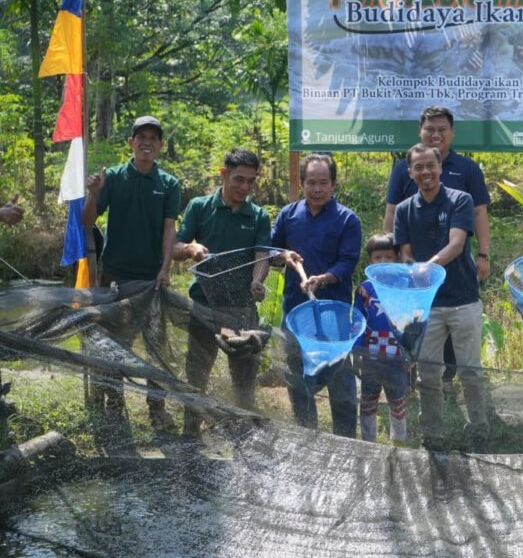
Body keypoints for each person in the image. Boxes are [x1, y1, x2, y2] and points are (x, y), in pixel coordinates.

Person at [383, 105, 491, 393]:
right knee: (425, 363)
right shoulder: (402, 171)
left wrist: (483, 254)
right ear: (420, 132)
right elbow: (393, 215)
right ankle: (431, 424)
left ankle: (471, 419)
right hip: (420, 290)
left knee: (465, 363)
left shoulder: (466, 172)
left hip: (458, 284)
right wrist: (400, 267)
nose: (436, 135)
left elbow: (478, 216)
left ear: (452, 133)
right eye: (430, 129)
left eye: (442, 129)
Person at [81, 115, 180, 431]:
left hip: (152, 280)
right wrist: (94, 193)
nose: (146, 142)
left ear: (160, 145)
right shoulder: (114, 178)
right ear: (131, 143)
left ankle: (156, 408)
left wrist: (166, 267)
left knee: (155, 348)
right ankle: (114, 407)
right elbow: (86, 220)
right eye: (141, 137)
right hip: (114, 277)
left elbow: (169, 229)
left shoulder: (168, 184)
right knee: (114, 345)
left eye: (153, 137)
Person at [393, 143, 489, 451]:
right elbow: (404, 252)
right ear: (410, 172)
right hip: (427, 305)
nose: (425, 173)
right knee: (428, 374)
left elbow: (457, 244)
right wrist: (413, 268)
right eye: (418, 168)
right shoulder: (405, 209)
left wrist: (425, 269)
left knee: (471, 372)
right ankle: (433, 433)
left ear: (440, 168)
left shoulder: (460, 200)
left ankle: (479, 429)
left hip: (463, 300)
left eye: (430, 166)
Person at [172, 148, 271, 438]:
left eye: (251, 181)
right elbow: (176, 247)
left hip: (242, 311)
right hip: (203, 308)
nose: (244, 187)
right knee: (196, 378)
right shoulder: (200, 207)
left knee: (243, 381)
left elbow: (262, 254)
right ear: (223, 174)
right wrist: (191, 249)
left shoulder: (258, 216)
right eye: (239, 179)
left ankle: (245, 438)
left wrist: (257, 280)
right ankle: (190, 434)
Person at [271, 154, 361, 437]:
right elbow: (270, 253)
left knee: (339, 374)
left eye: (324, 183)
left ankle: (345, 438)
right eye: (311, 183)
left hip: (334, 312)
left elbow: (349, 261)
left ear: (334, 184)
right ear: (302, 183)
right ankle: (306, 433)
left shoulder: (347, 219)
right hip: (296, 310)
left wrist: (323, 278)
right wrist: (283, 255)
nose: (317, 189)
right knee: (297, 372)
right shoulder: (289, 215)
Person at [352, 233, 410, 444]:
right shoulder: (364, 289)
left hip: (397, 355)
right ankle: (368, 442)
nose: (383, 262)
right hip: (370, 355)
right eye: (378, 258)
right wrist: (357, 350)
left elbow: (413, 324)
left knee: (398, 400)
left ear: (396, 258)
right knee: (368, 399)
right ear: (370, 261)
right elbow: (357, 321)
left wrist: (411, 353)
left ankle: (399, 442)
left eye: (388, 257)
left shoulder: (405, 287)